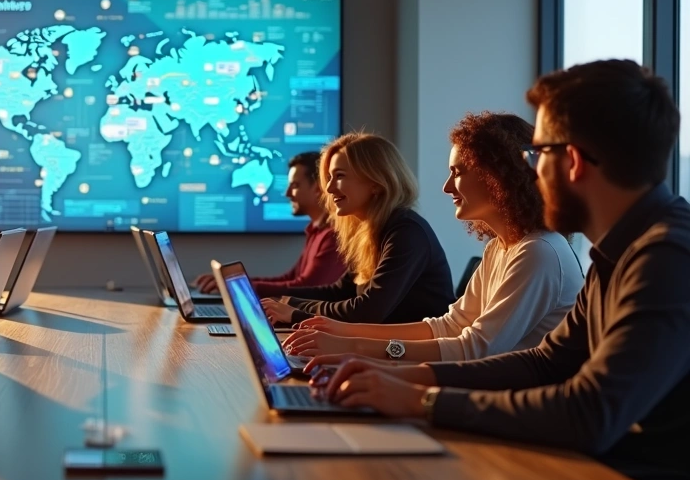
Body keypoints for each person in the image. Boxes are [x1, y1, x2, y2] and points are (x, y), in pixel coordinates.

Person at [309, 60, 690, 480]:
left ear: (573, 162)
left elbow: (591, 412)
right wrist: (401, 377)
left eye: (536, 154)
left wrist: (421, 400)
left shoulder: (667, 256)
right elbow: (544, 363)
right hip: (611, 470)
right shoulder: (618, 250)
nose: (529, 172)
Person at [282, 113, 582, 362]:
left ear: (498, 176)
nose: (447, 187)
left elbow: (474, 349)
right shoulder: (501, 248)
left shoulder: (538, 252)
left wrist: (354, 346)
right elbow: (449, 326)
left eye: (457, 172)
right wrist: (343, 333)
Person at [259, 133, 454, 326]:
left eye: (339, 176)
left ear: (377, 183)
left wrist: (295, 314)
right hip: (381, 348)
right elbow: (340, 292)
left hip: (411, 354)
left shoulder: (406, 232)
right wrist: (286, 301)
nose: (329, 188)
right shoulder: (369, 231)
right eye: (329, 177)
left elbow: (367, 311)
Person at [194, 151, 345, 295]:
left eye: (295, 186)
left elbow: (305, 288)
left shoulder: (331, 235)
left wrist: (237, 287)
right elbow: (289, 279)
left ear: (318, 189)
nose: (287, 193)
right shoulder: (316, 231)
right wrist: (233, 282)